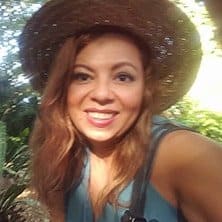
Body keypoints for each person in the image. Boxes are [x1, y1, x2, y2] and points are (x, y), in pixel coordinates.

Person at [18, 0, 222, 221]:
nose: (102, 94)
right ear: (63, 88)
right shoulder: (63, 155)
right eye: (82, 76)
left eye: (123, 77)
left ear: (145, 88)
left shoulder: (186, 156)